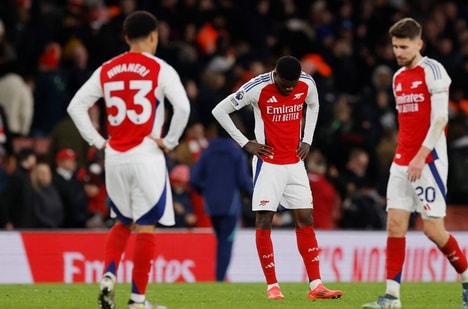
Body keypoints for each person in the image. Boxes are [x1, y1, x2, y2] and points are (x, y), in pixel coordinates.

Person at [66, 10, 190, 309]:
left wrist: (98, 142)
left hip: (115, 157)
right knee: (146, 227)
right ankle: (136, 300)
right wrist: (169, 143)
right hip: (146, 155)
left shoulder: (107, 69)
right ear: (153, 37)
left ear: (125, 38)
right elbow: (183, 108)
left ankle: (108, 275)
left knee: (123, 222)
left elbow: (75, 107)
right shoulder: (161, 68)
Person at [362, 18, 468, 309]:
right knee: (395, 225)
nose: (398, 52)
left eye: (404, 46)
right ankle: (391, 297)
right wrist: (405, 156)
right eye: (394, 46)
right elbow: (409, 122)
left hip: (429, 161)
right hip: (402, 162)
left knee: (433, 231)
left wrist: (421, 155)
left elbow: (440, 119)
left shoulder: (433, 70)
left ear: (419, 44)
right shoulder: (397, 77)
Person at [211, 55, 343, 300]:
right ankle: (272, 286)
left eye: (292, 86)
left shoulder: (307, 83)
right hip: (268, 163)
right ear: (276, 74)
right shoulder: (257, 87)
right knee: (264, 220)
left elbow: (313, 105)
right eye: (284, 85)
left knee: (305, 217)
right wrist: (245, 143)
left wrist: (307, 139)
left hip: (294, 163)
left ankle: (316, 285)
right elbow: (219, 110)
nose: (289, 89)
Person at [189, 121, 253, 282]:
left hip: (211, 205)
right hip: (230, 205)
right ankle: (220, 278)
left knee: (220, 239)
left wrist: (205, 192)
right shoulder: (236, 153)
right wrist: (258, 197)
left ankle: (220, 276)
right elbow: (243, 181)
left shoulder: (207, 152)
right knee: (226, 241)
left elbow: (194, 179)